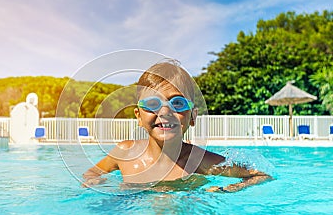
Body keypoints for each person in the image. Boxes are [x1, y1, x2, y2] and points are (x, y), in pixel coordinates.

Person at [83, 60, 272, 192]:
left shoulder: (200, 161)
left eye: (178, 103)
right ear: (138, 116)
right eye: (152, 104)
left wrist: (227, 190)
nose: (165, 111)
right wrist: (96, 182)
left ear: (192, 117)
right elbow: (91, 173)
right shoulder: (125, 152)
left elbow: (262, 176)